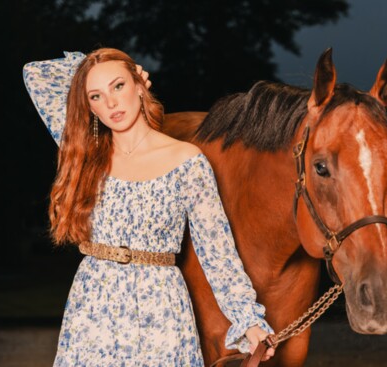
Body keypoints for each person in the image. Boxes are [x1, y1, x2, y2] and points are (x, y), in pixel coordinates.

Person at [23, 48, 274, 366]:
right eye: (96, 96)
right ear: (87, 106)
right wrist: (96, 65)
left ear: (140, 86)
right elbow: (35, 74)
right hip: (92, 306)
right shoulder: (86, 154)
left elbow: (218, 254)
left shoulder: (188, 161)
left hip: (160, 309)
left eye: (119, 86)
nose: (111, 103)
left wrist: (249, 321)